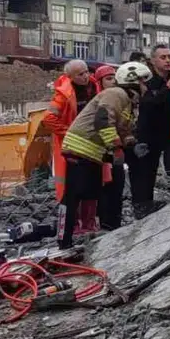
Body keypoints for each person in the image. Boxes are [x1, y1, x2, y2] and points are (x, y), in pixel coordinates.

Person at [57, 61, 151, 248]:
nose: (146, 86)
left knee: (92, 194)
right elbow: (103, 120)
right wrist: (116, 147)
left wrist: (132, 145)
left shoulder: (128, 101)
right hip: (80, 149)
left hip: (92, 152)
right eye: (144, 82)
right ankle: (63, 240)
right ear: (133, 81)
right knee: (73, 197)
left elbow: (122, 130)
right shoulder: (116, 94)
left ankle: (76, 237)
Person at [43, 60, 99, 234]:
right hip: (72, 146)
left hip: (91, 143)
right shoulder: (63, 94)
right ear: (70, 77)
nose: (85, 76)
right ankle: (72, 226)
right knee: (72, 187)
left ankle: (89, 225)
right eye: (80, 74)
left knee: (91, 185)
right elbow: (49, 119)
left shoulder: (95, 87)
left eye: (86, 72)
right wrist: (70, 131)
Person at [130, 44, 170, 218]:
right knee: (147, 168)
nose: (167, 60)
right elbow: (149, 103)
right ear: (153, 60)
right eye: (163, 57)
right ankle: (142, 204)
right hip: (149, 130)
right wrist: (167, 89)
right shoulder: (147, 81)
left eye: (169, 56)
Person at [92, 65, 128, 232]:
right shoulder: (97, 101)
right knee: (103, 191)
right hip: (100, 152)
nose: (113, 82)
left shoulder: (118, 98)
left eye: (114, 78)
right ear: (99, 82)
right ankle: (103, 224)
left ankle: (115, 225)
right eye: (108, 79)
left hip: (114, 150)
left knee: (117, 186)